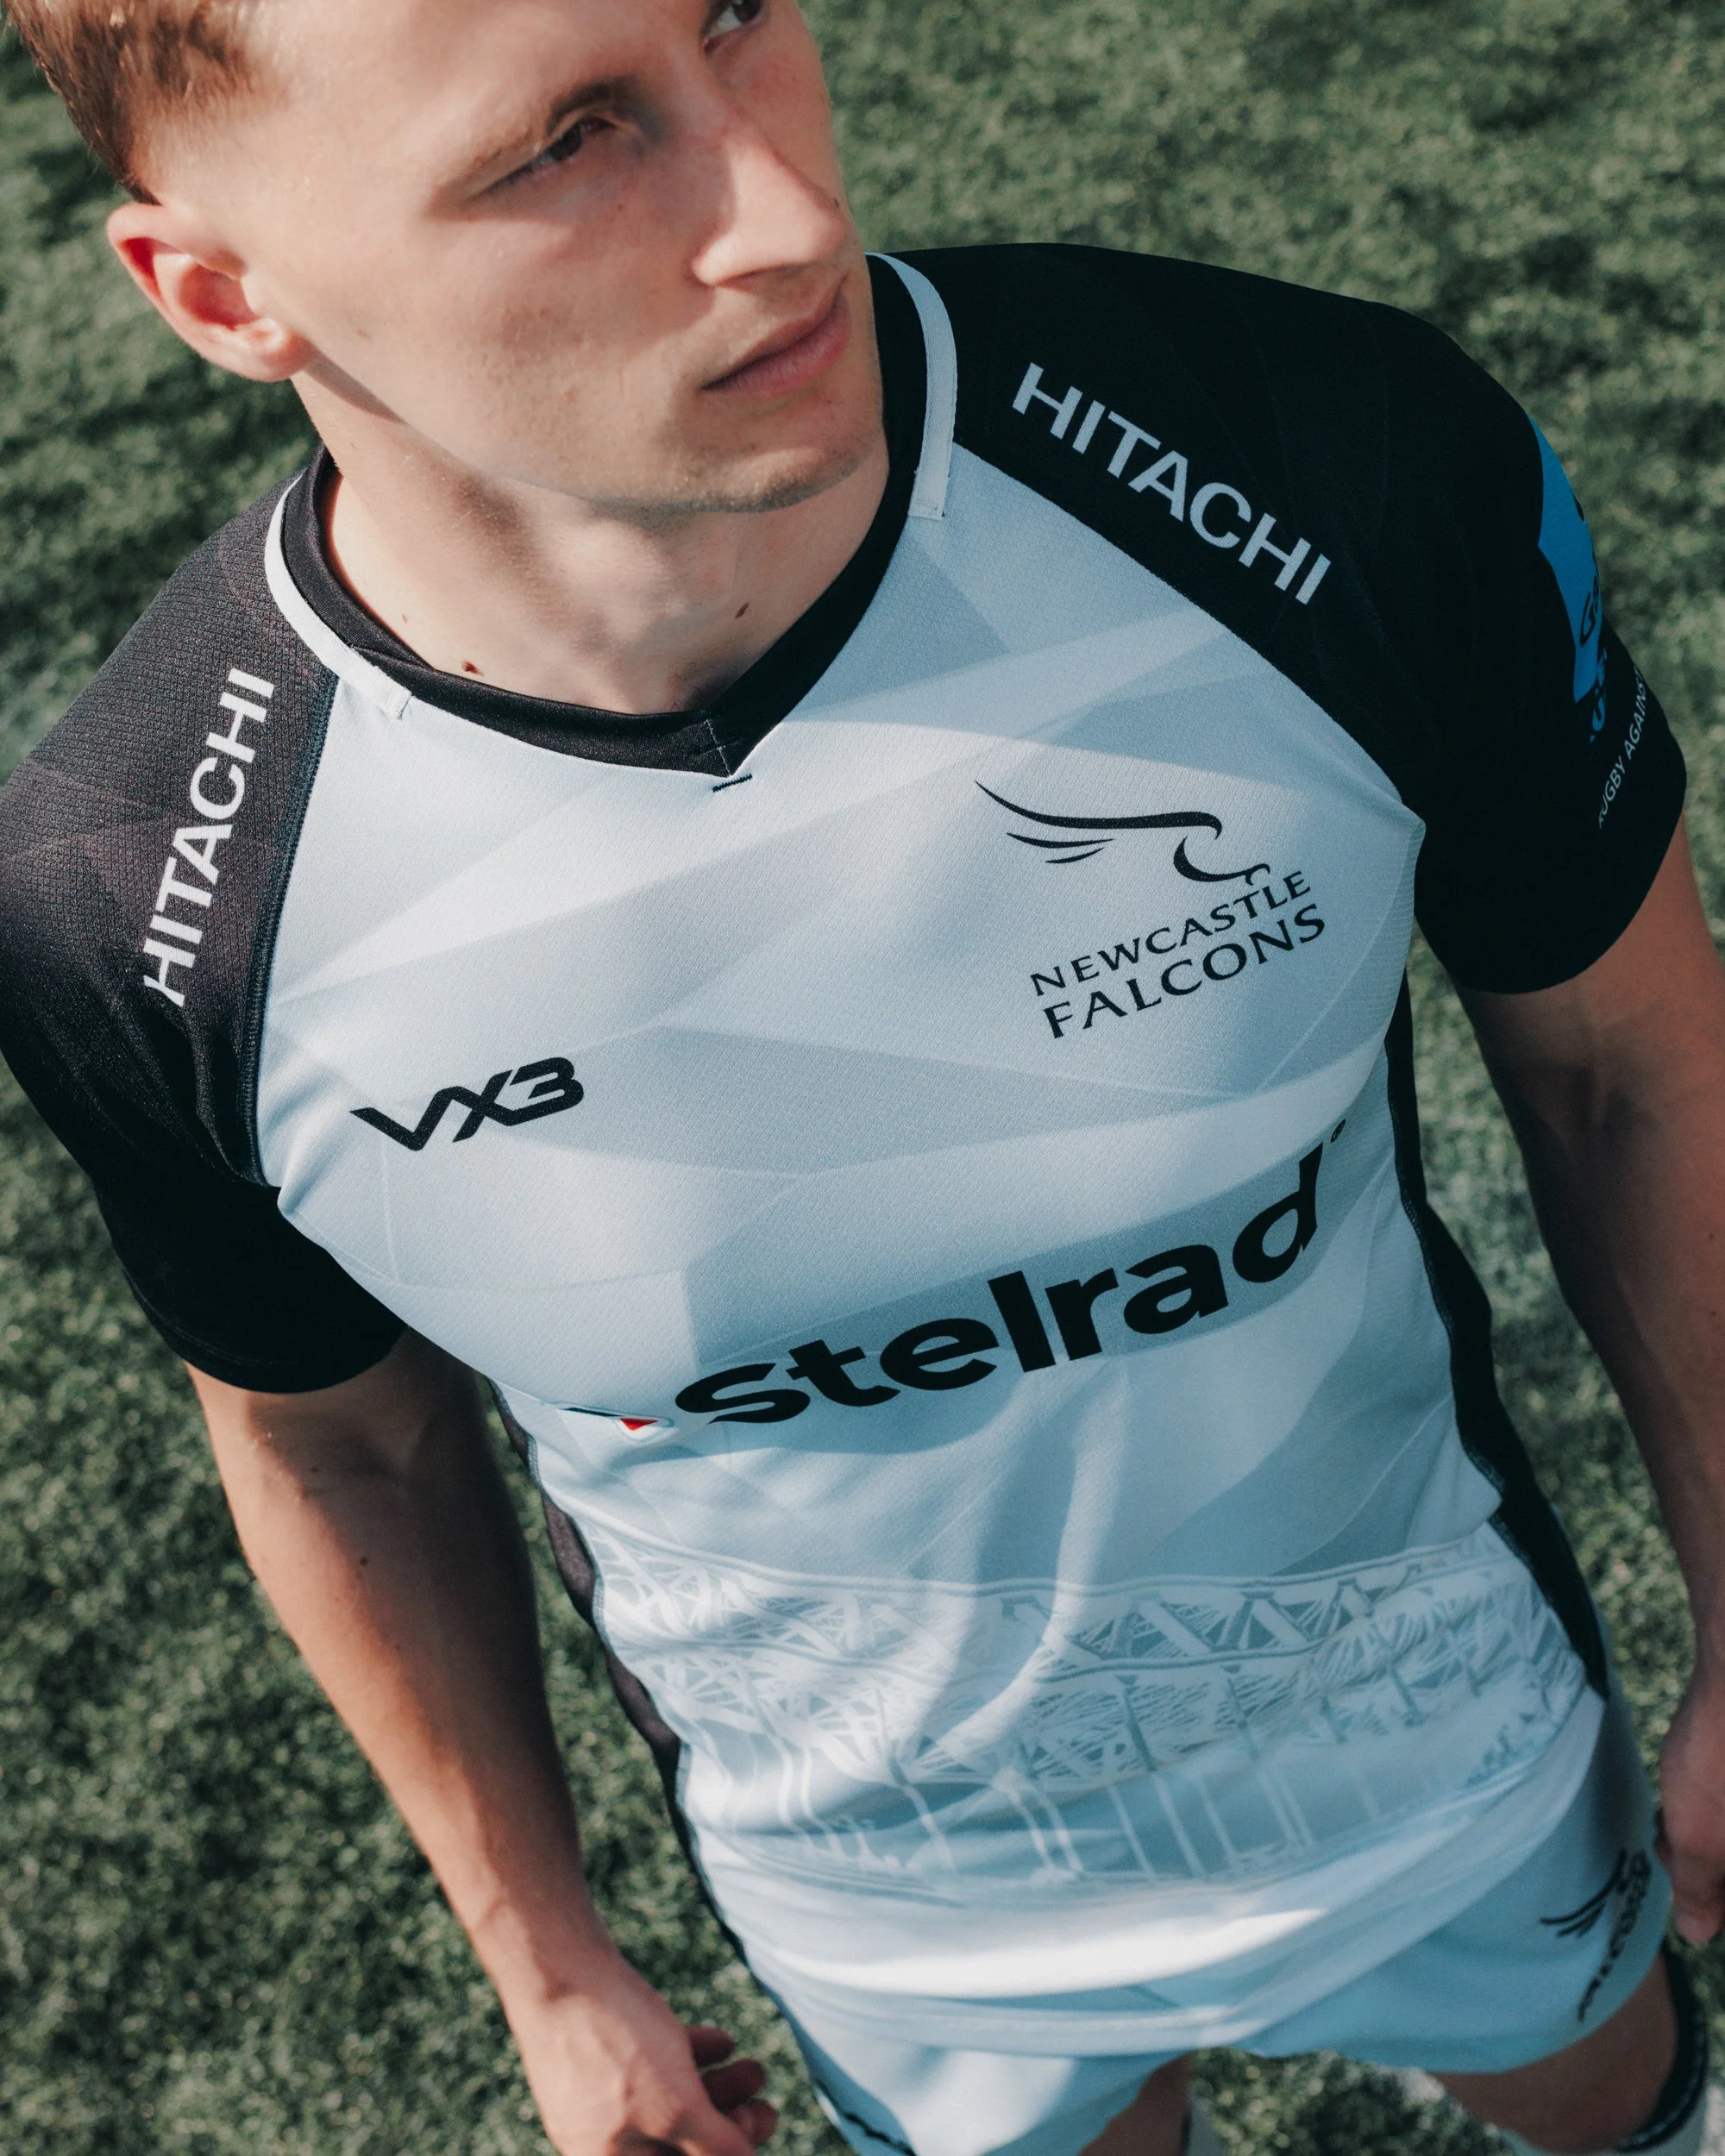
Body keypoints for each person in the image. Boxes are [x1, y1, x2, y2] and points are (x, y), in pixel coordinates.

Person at [1, 3, 1722, 2153]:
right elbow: (337, 1441)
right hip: (894, 1926)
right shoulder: (135, 893)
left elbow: (1629, 1071)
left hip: (1454, 1756)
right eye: (564, 143)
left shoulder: (1319, 457)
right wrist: (548, 1965)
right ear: (218, 295)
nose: (789, 214)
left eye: (736, 14)